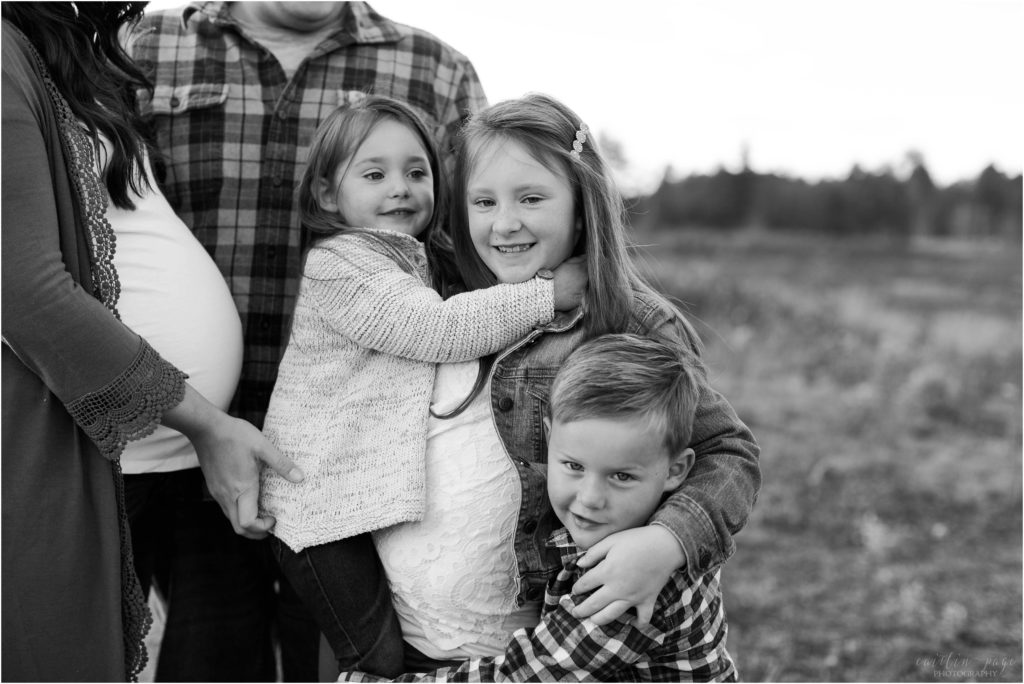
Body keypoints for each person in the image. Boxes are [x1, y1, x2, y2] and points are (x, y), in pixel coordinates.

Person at [128, 3, 488, 678]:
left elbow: (476, 238)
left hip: (364, 461)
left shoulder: (435, 70)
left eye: (409, 173)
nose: (400, 188)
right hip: (190, 437)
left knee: (345, 657)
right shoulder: (150, 46)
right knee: (211, 653)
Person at [359, 93, 761, 673]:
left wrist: (667, 542)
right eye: (484, 201)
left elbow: (729, 451)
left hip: (562, 633)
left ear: (581, 205)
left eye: (531, 198)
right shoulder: (456, 312)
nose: (506, 223)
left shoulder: (625, 320)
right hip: (428, 634)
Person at [1, 3, 302, 681]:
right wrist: (204, 423)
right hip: (98, 443)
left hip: (185, 450)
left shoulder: (69, 53)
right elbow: (20, 290)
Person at [259, 94, 587, 676]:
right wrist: (548, 293)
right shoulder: (340, 263)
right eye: (375, 173)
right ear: (328, 195)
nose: (401, 187)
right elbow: (433, 328)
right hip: (317, 511)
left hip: (360, 504)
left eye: (417, 172)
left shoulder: (419, 260)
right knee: (374, 658)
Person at [345, 333, 738, 681]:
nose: (589, 498)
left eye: (621, 477)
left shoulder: (630, 579)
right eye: (574, 466)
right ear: (548, 437)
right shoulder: (621, 530)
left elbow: (523, 675)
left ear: (676, 470)